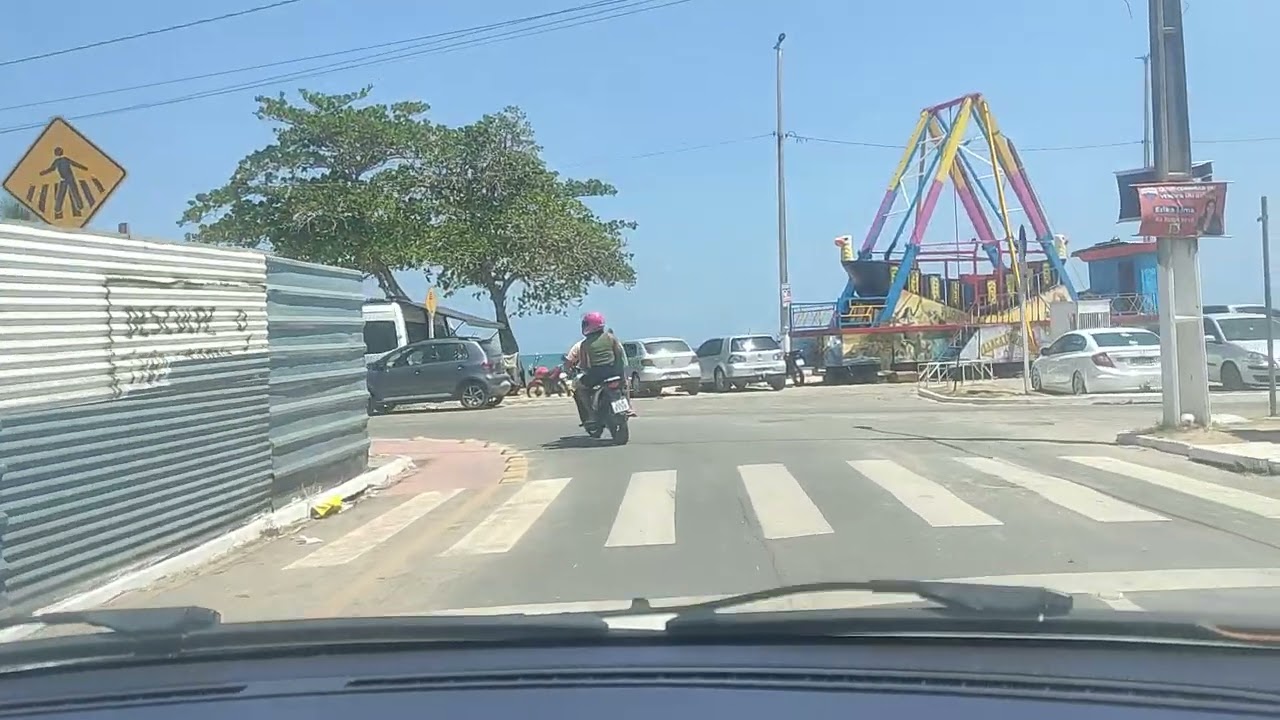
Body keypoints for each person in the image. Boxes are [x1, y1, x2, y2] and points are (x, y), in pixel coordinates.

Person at [564, 311, 627, 426]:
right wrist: (619, 370)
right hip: (614, 372)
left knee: (580, 389)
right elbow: (619, 355)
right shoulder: (611, 338)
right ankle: (628, 407)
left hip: (596, 375)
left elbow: (584, 364)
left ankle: (591, 415)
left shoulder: (585, 344)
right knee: (624, 386)